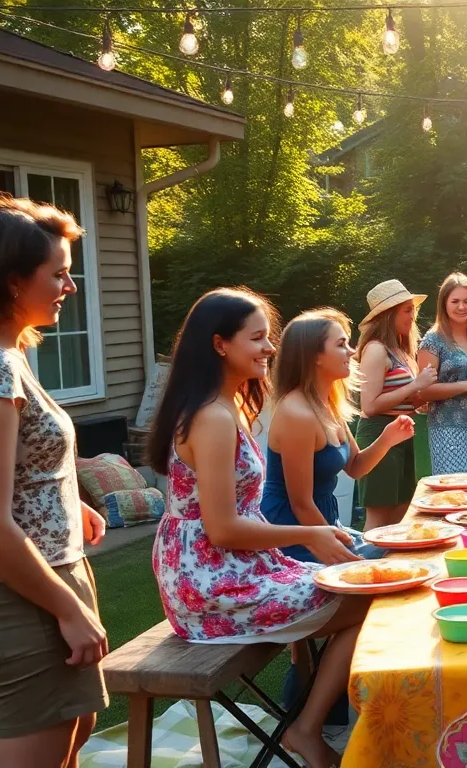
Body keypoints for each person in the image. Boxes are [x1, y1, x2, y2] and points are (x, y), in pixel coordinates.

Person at [147, 288, 380, 768]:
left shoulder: (225, 406)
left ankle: (312, 717)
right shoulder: (212, 416)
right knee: (366, 595)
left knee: (369, 585)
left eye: (268, 338)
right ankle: (307, 729)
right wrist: (309, 534)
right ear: (219, 345)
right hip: (210, 585)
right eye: (257, 339)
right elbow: (224, 529)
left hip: (235, 569)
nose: (270, 349)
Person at [0, 197, 109, 768]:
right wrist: (67, 608)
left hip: (31, 579)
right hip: (9, 594)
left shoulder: (2, 355)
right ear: (11, 281)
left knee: (73, 733)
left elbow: (12, 473)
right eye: (58, 273)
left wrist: (69, 504)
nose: (70, 284)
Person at [264, 308, 416, 557]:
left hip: (325, 526)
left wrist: (388, 438)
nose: (353, 351)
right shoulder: (296, 414)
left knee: (405, 548)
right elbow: (300, 504)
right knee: (390, 564)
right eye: (341, 344)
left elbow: (355, 467)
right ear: (315, 356)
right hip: (295, 534)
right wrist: (343, 553)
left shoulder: (326, 404)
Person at [354, 280, 436, 530]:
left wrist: (418, 402)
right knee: (380, 517)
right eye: (406, 310)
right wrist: (414, 386)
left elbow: (398, 395)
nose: (412, 316)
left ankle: (396, 568)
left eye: (413, 310)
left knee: (401, 514)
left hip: (401, 434)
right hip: (379, 434)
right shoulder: (376, 350)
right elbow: (369, 406)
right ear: (388, 315)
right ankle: (370, 566)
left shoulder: (399, 350)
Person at [416, 273, 467, 475]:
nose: (461, 307)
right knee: (456, 490)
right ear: (444, 304)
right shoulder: (433, 339)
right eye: (455, 301)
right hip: (448, 427)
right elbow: (422, 392)